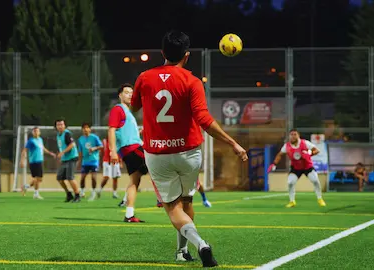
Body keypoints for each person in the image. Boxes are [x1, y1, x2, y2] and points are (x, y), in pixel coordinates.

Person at [131, 30, 248, 267]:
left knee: (173, 208)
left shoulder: (144, 77)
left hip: (157, 153)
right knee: (187, 201)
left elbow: (134, 106)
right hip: (189, 153)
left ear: (162, 52)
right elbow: (204, 119)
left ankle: (200, 244)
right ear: (187, 55)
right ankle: (181, 252)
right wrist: (233, 142)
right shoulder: (192, 81)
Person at [108, 83, 148, 223]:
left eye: (131, 92)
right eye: (126, 92)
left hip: (131, 148)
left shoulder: (128, 113)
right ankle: (162, 197)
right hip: (131, 148)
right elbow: (112, 130)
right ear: (120, 95)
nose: (130, 95)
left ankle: (129, 215)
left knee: (134, 181)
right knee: (157, 162)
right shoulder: (118, 109)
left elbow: (123, 131)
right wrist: (112, 151)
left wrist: (138, 132)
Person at [267, 129, 327, 208]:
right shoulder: (287, 146)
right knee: (290, 183)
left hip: (307, 167)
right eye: (291, 134)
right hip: (296, 168)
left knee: (315, 180)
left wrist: (309, 154)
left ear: (298, 135)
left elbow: (316, 150)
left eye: (295, 134)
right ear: (289, 136)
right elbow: (280, 154)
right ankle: (292, 201)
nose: (293, 136)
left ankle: (320, 199)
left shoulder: (305, 143)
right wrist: (274, 164)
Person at [20, 127, 56, 199]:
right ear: (33, 133)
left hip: (40, 161)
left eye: (37, 131)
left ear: (39, 132)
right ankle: (36, 194)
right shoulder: (31, 141)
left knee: (39, 179)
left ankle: (26, 186)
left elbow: (43, 148)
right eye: (34, 131)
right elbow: (24, 150)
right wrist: (22, 160)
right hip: (34, 161)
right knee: (37, 178)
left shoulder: (40, 140)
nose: (36, 132)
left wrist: (50, 153)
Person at [55, 119, 81, 203]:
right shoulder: (58, 135)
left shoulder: (67, 133)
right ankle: (69, 194)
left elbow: (72, 144)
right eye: (58, 125)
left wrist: (62, 152)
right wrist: (60, 153)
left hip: (72, 157)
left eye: (61, 124)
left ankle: (77, 195)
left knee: (70, 177)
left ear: (64, 125)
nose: (60, 126)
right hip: (65, 159)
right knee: (59, 178)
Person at [77, 123, 103, 201]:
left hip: (94, 160)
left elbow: (101, 146)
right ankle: (82, 191)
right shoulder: (80, 139)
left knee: (93, 177)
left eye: (87, 128)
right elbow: (80, 151)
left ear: (89, 129)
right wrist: (79, 161)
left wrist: (94, 148)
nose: (85, 129)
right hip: (85, 161)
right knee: (82, 177)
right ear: (82, 130)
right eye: (84, 128)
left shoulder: (94, 137)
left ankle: (93, 192)